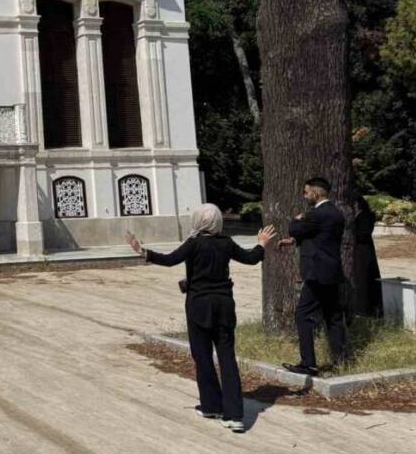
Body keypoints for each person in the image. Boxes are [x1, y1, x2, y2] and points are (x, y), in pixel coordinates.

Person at [129, 204, 277, 433]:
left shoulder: (194, 243)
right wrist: (261, 243)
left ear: (198, 221)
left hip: (199, 306)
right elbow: (249, 258)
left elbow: (170, 260)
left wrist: (142, 251)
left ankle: (211, 405)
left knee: (202, 355)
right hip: (224, 306)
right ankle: (234, 415)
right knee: (227, 358)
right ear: (218, 221)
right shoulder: (226, 243)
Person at [278, 176, 349, 376]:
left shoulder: (317, 214)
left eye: (306, 191)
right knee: (333, 316)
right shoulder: (335, 213)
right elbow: (317, 237)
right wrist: (294, 240)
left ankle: (308, 363)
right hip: (332, 271)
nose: (305, 195)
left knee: (302, 314)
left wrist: (297, 219)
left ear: (316, 193)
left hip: (317, 273)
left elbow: (296, 228)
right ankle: (342, 360)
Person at [350, 195, 383, 318]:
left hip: (364, 250)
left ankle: (366, 309)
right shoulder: (359, 215)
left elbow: (364, 233)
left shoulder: (365, 215)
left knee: (364, 277)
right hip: (360, 249)